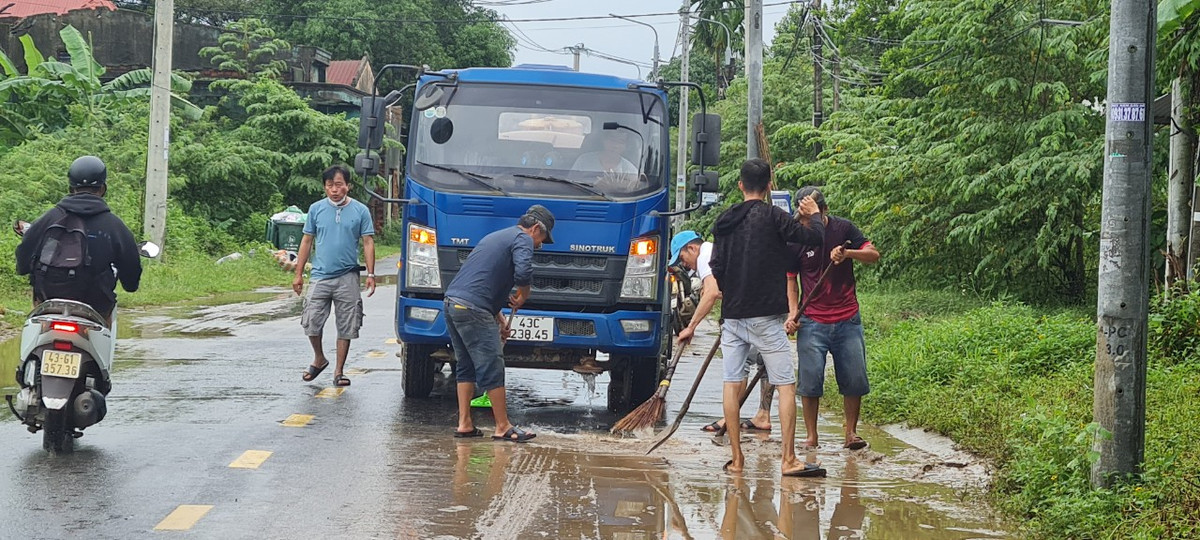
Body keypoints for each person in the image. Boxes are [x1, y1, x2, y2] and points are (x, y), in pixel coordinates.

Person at [707, 158, 825, 477]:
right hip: (766, 317)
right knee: (785, 385)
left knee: (731, 384)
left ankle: (737, 458)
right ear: (769, 185)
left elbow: (716, 266)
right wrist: (813, 217)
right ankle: (788, 460)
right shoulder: (775, 217)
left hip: (732, 316)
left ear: (741, 185)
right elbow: (814, 240)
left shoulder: (724, 220)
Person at [445, 205, 555, 443]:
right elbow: (524, 274)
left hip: (453, 303)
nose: (539, 245)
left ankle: (464, 424)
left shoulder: (497, 236)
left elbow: (479, 284)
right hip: (473, 309)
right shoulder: (522, 239)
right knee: (492, 364)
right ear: (535, 229)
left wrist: (500, 318)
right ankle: (503, 426)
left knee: (466, 365)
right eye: (542, 239)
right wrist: (524, 294)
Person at [785, 186, 880, 451]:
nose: (807, 224)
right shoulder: (797, 240)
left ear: (824, 211)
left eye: (811, 217)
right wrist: (793, 312)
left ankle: (851, 433)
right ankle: (812, 436)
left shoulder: (844, 229)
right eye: (803, 219)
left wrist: (848, 254)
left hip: (847, 318)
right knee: (810, 381)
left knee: (853, 379)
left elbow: (873, 255)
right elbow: (791, 281)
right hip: (812, 320)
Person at [16, 155, 143, 323]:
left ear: (70, 188)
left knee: (35, 321)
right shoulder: (114, 225)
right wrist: (130, 285)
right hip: (97, 306)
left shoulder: (50, 218)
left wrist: (23, 269)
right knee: (105, 327)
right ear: (103, 188)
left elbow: (25, 250)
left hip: (49, 301)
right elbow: (131, 264)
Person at [669, 230, 774, 433]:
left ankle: (732, 419)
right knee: (760, 361)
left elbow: (711, 293)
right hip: (761, 307)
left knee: (739, 365)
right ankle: (759, 415)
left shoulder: (706, 254)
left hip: (752, 313)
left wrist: (690, 327)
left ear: (692, 248)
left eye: (682, 258)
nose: (684, 264)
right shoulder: (719, 251)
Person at [294, 164, 376, 388]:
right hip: (320, 276)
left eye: (338, 185)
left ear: (348, 186)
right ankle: (319, 358)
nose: (334, 190)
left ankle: (339, 371)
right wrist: (298, 273)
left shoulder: (360, 211)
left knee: (347, 325)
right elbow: (307, 241)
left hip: (348, 276)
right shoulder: (316, 209)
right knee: (311, 321)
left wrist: (371, 273)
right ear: (325, 188)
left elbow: (368, 242)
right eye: (329, 185)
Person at [571, 129, 637, 179]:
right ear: (604, 140)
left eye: (621, 142)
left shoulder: (630, 170)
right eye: (612, 140)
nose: (615, 146)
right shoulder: (584, 160)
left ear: (626, 146)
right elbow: (570, 184)